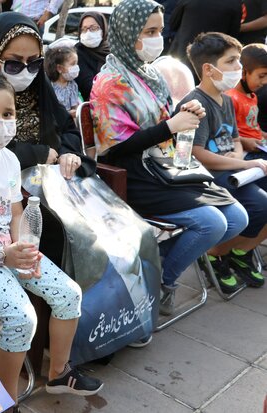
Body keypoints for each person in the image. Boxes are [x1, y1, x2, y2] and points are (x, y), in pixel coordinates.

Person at [0, 68, 103, 405]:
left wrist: (21, 246)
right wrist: (3, 256)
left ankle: (58, 372)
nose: (0, 122)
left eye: (7, 114)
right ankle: (6, 400)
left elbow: (13, 212)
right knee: (21, 316)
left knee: (68, 293)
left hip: (4, 249)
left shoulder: (10, 159)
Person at [90, 0, 248, 314]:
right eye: (149, 31)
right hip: (135, 175)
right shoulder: (110, 84)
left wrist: (186, 114)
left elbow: (165, 128)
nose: (157, 38)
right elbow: (115, 148)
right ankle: (162, 280)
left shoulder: (151, 74)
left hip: (168, 166)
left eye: (160, 30)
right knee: (211, 224)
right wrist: (169, 126)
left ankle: (157, 267)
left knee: (237, 218)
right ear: (128, 31)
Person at [0, 12, 96, 268]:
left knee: (96, 224)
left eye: (34, 63)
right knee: (61, 232)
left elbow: (67, 128)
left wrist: (68, 153)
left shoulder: (40, 89)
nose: (26, 72)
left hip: (49, 187)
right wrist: (37, 153)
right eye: (15, 64)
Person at [180, 32, 267, 290]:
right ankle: (215, 255)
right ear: (209, 69)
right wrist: (243, 164)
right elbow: (194, 154)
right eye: (231, 62)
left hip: (235, 170)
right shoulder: (193, 104)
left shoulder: (227, 99)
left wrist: (239, 156)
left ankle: (240, 251)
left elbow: (236, 139)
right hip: (210, 177)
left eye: (239, 61)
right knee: (261, 206)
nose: (238, 68)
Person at [169, 0, 242, 80]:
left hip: (180, 55)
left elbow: (173, 24)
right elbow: (232, 38)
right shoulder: (234, 3)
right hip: (212, 64)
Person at [226, 43, 267, 160]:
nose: (265, 81)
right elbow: (223, 132)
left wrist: (264, 135)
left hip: (260, 146)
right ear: (243, 73)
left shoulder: (252, 95)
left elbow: (252, 126)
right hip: (244, 152)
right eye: (262, 75)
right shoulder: (230, 98)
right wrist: (244, 141)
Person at [74, 11, 110, 101]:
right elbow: (88, 86)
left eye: (93, 28)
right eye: (84, 29)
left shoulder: (111, 50)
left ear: (103, 28)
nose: (88, 33)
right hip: (91, 105)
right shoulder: (77, 52)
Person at [44, 46, 80, 118]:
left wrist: (75, 111)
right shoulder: (49, 86)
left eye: (77, 63)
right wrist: (66, 114)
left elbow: (74, 107)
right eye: (73, 64)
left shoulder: (73, 85)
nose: (76, 67)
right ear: (59, 68)